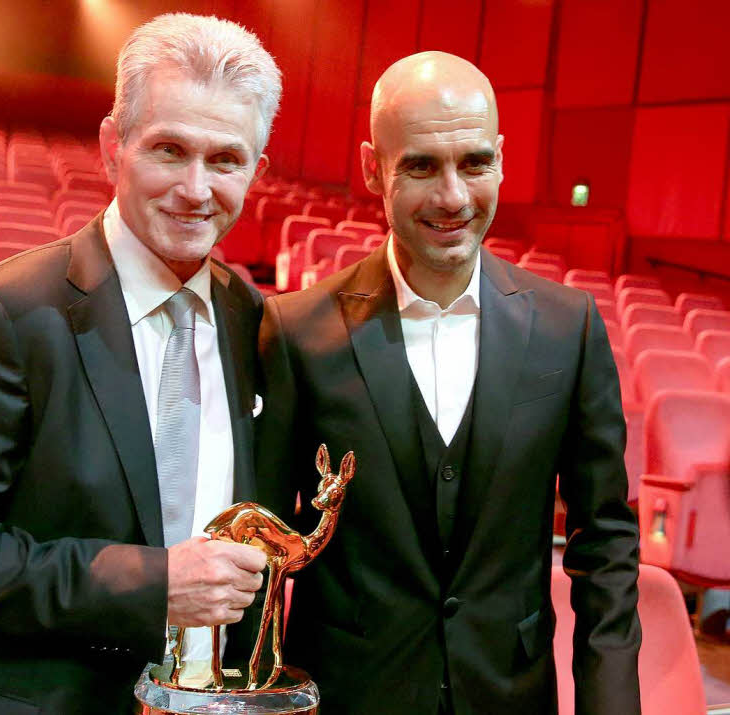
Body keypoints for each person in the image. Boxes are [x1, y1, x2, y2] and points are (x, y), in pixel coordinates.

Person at [0, 13, 281, 714]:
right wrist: (154, 584)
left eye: (226, 160)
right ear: (111, 146)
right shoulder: (3, 311)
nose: (196, 188)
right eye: (169, 149)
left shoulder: (253, 319)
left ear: (257, 171)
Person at [255, 51, 641, 715]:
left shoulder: (567, 327)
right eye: (422, 166)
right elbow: (260, 552)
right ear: (373, 167)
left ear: (501, 156)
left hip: (511, 696)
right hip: (345, 698)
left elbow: (604, 544)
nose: (453, 197)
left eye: (473, 163)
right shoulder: (294, 332)